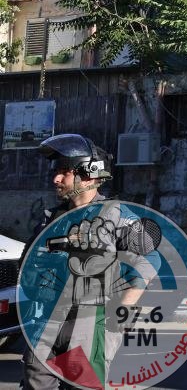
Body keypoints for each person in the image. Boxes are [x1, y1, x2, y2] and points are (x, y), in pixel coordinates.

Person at [19, 134, 126, 388]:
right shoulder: (52, 219)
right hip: (46, 322)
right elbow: (27, 267)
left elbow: (147, 270)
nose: (56, 178)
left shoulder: (117, 218)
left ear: (88, 174)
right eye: (56, 172)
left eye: (64, 172)